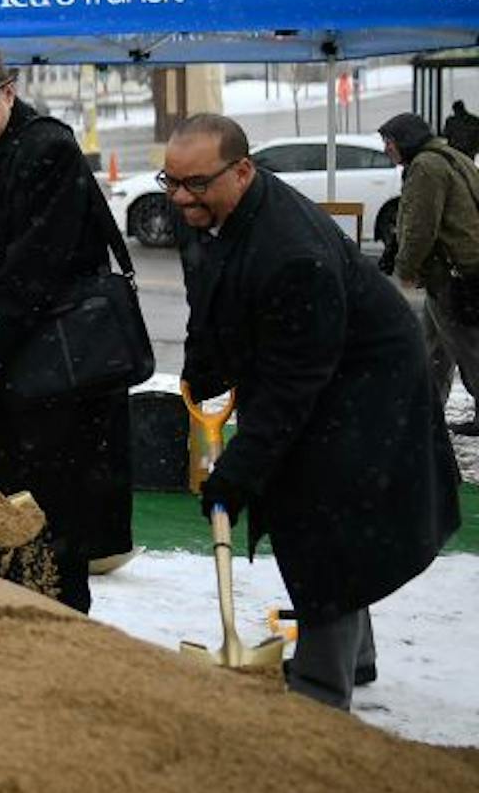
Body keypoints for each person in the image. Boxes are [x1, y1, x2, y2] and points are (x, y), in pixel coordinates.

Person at [167, 113, 453, 709]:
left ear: (241, 171)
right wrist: (203, 365)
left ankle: (323, 689)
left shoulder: (290, 252)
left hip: (369, 381)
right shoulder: (215, 211)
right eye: (170, 181)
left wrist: (238, 474)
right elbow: (212, 296)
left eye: (195, 184)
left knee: (321, 514)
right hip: (327, 365)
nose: (179, 197)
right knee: (321, 507)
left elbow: (291, 389)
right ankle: (356, 654)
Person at [0, 46, 132, 613]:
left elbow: (34, 269)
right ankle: (6, 616)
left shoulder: (48, 151)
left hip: (56, 367)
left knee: (51, 516)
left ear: (9, 92)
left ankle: (56, 630)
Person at [378, 112, 479, 434]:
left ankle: (428, 412)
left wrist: (405, 268)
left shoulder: (425, 167)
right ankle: (426, 412)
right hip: (461, 271)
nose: (386, 150)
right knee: (434, 347)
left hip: (454, 275)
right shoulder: (452, 156)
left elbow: (420, 227)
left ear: (405, 140)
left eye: (389, 142)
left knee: (468, 351)